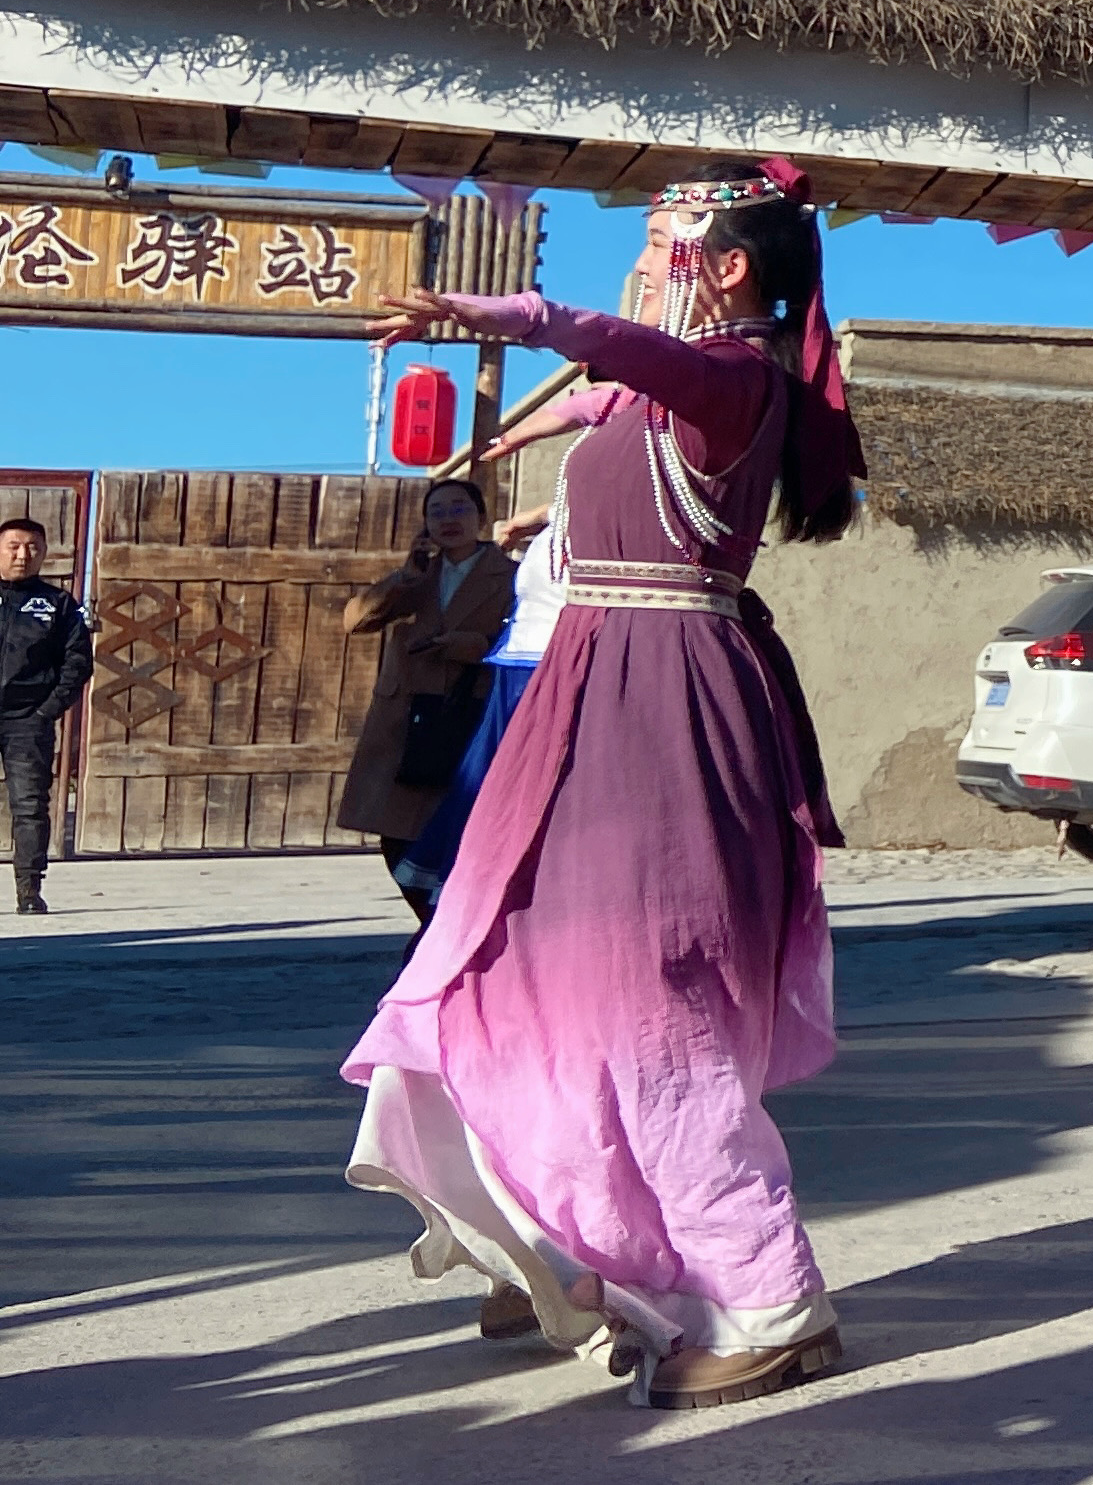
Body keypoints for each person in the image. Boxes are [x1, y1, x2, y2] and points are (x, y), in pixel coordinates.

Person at [341, 162, 865, 1410]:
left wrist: (489, 315)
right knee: (510, 963)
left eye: (659, 244)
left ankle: (771, 1294)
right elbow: (603, 391)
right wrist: (516, 428)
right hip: (593, 696)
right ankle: (560, 1245)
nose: (639, 263)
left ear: (726, 269)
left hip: (665, 708)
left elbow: (613, 342)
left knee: (649, 1004)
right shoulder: (653, 395)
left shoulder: (734, 382)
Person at [388, 385, 622, 910]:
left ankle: (500, 893)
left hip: (544, 661)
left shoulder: (631, 457)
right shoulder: (422, 571)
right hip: (503, 668)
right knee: (479, 792)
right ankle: (462, 897)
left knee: (519, 790)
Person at [337, 476, 515, 920]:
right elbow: (355, 622)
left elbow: (522, 637)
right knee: (394, 833)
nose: (448, 520)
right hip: (404, 718)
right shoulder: (419, 576)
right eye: (437, 512)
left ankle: (447, 930)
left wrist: (470, 643)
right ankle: (431, 926)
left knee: (453, 825)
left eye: (459, 509)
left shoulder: (509, 575)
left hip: (465, 712)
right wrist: (405, 576)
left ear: (481, 517)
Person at [0, 516, 90, 915]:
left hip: (26, 721)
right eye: (14, 546)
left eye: (33, 547)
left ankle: (29, 891)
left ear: (44, 553)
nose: (23, 554)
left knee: (30, 805)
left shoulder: (58, 605)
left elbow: (78, 662)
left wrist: (46, 712)